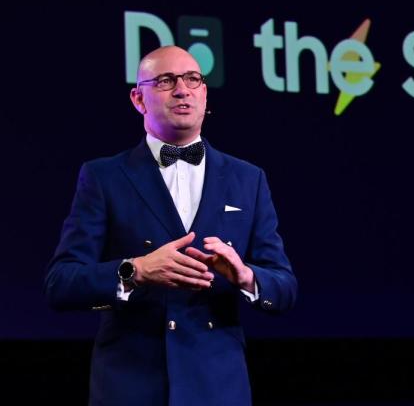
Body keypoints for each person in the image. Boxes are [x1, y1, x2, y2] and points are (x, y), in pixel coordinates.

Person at [45, 45, 297, 406]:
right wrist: (135, 270)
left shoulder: (248, 179)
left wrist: (245, 276)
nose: (182, 89)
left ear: (204, 93)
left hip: (217, 386)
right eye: (165, 81)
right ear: (138, 99)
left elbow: (284, 286)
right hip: (132, 385)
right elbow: (60, 283)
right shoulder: (104, 177)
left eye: (193, 79)